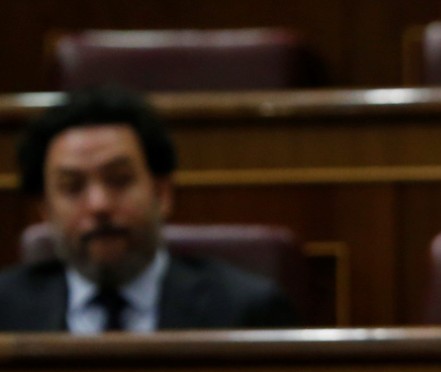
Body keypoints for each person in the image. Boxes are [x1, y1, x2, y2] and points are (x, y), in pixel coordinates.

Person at [0, 85, 299, 333]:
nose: (99, 205)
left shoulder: (245, 310)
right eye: (73, 187)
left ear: (161, 193)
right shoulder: (6, 313)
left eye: (119, 180)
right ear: (45, 210)